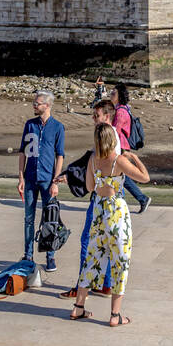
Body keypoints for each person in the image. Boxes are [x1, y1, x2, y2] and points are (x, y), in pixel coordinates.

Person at [69, 122, 151, 328]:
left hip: (99, 210)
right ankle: (115, 314)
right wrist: (136, 159)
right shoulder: (119, 161)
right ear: (112, 140)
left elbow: (89, 186)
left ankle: (78, 307)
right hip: (116, 212)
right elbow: (145, 178)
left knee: (93, 257)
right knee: (120, 260)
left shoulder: (92, 159)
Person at [57, 98, 127, 300]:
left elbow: (98, 166)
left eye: (96, 116)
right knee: (106, 241)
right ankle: (105, 285)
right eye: (93, 115)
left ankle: (82, 288)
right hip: (112, 195)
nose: (93, 119)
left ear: (107, 116)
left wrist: (71, 175)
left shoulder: (106, 136)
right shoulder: (108, 135)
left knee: (87, 240)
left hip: (103, 197)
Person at [18, 91, 65, 272]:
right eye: (34, 102)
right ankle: (28, 255)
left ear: (47, 105)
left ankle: (50, 256)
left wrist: (56, 181)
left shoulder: (58, 127)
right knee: (28, 219)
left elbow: (59, 155)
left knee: (49, 219)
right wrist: (20, 177)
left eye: (37, 103)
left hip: (48, 180)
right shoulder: (30, 125)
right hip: (30, 178)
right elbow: (23, 152)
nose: (34, 105)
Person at [110, 83, 151, 213]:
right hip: (121, 146)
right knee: (121, 174)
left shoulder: (121, 112)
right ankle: (140, 198)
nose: (111, 95)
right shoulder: (122, 109)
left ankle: (140, 199)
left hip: (120, 147)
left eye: (113, 93)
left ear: (119, 96)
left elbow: (115, 131)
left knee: (120, 174)